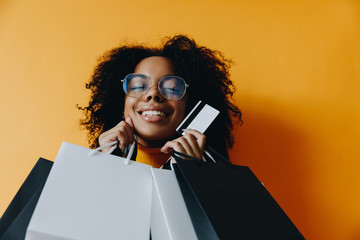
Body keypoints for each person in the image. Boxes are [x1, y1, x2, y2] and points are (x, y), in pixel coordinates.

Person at [79, 35, 242, 168]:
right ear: (120, 103)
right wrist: (105, 164)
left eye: (171, 88)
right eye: (138, 86)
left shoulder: (216, 180)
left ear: (190, 107)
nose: (153, 94)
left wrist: (192, 175)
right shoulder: (84, 167)